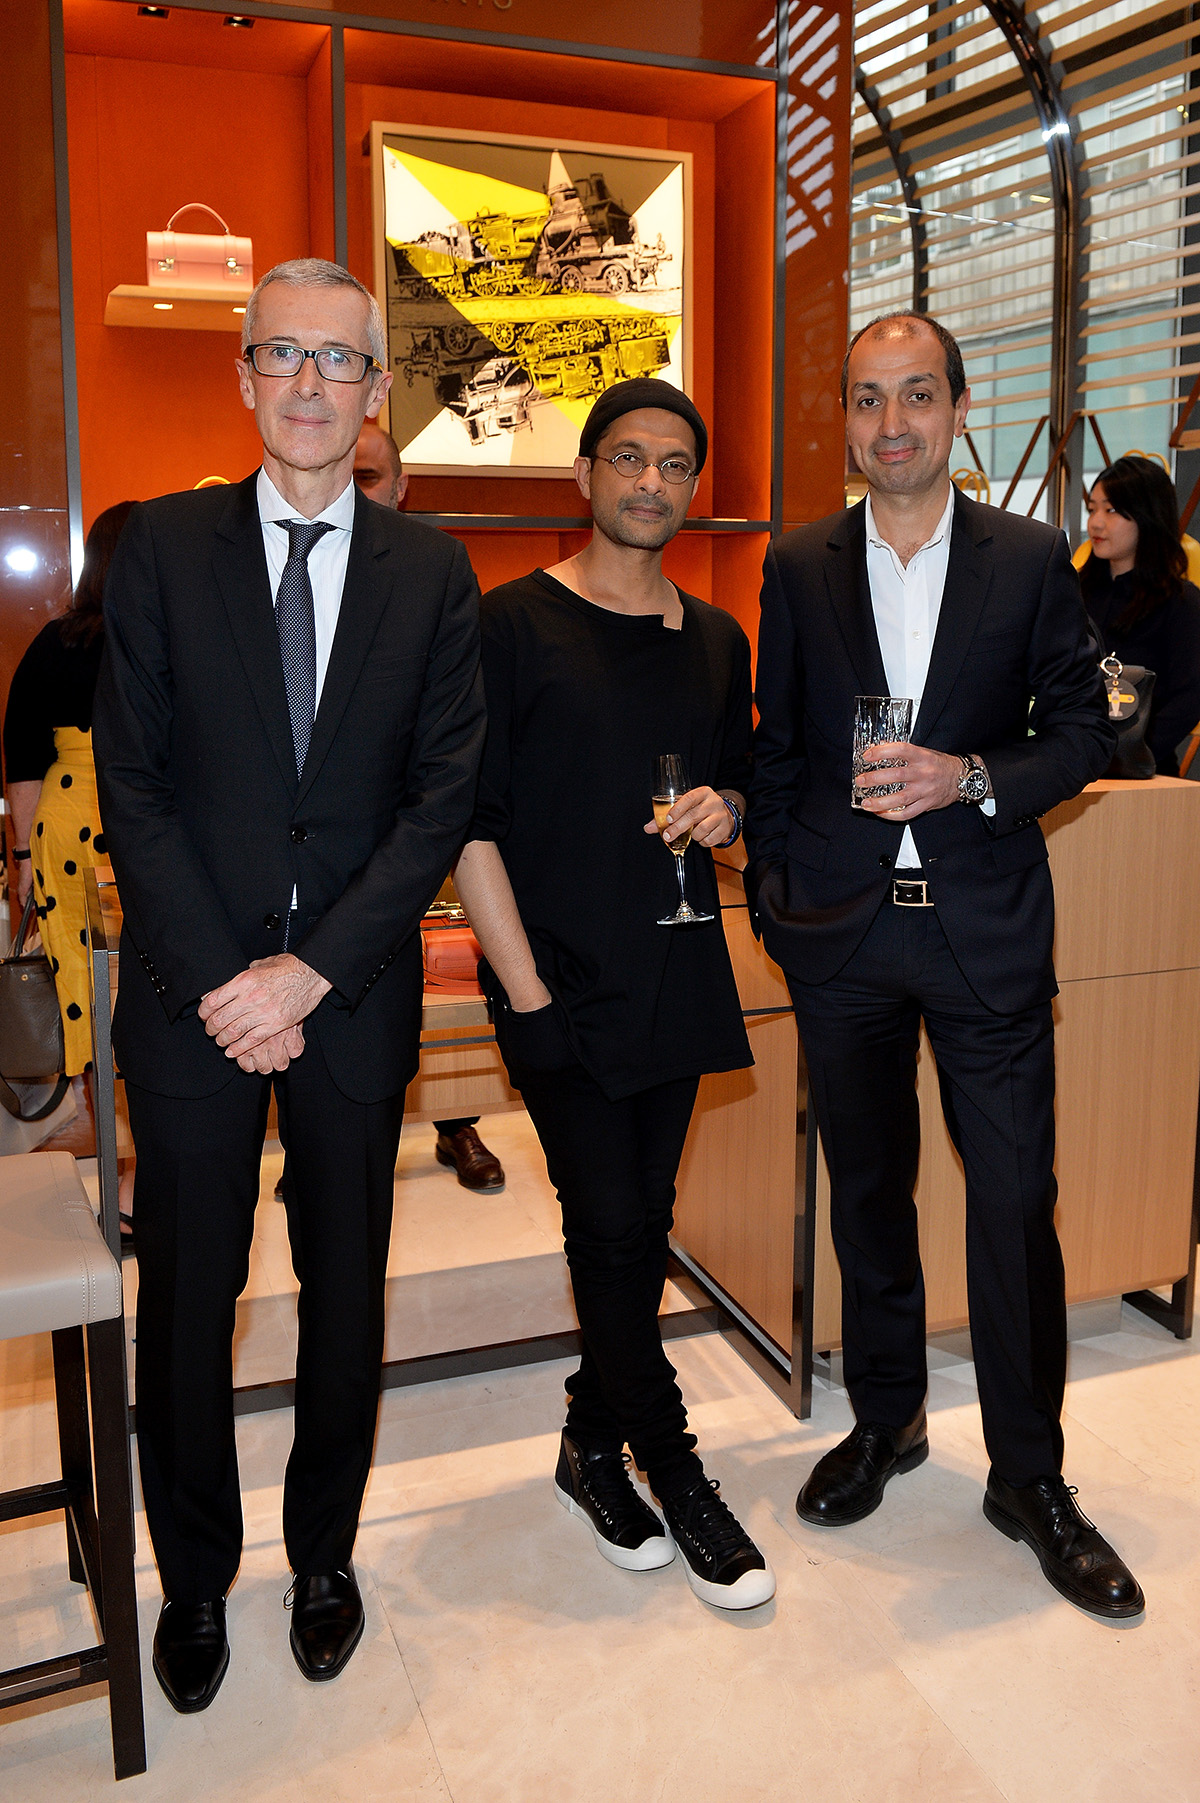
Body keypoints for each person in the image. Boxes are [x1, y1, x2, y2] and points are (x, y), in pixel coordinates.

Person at [92, 257, 484, 1711]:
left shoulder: (433, 573)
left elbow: (438, 801)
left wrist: (309, 973)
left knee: (344, 1291)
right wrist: (231, 980)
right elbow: (131, 784)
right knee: (190, 1297)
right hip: (195, 1002)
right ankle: (193, 1575)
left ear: (380, 394)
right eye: (284, 356)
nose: (313, 385)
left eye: (343, 362)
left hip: (355, 995)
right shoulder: (162, 550)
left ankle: (325, 1552)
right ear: (243, 377)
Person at [746, 310, 1144, 1620]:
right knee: (868, 1188)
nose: (892, 423)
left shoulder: (1031, 559)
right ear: (847, 418)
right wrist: (778, 891)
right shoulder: (799, 562)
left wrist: (975, 774)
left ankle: (1030, 1475)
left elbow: (1082, 729)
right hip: (846, 934)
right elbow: (781, 745)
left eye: (918, 395)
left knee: (1014, 1196)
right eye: (868, 399)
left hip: (979, 923)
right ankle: (889, 1418)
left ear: (961, 407)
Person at [454, 378, 775, 1611]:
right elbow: (468, 827)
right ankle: (676, 1466)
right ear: (584, 475)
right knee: (608, 1230)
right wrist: (525, 994)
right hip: (560, 987)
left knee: (643, 1222)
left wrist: (728, 810)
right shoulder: (509, 626)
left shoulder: (716, 639)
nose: (652, 483)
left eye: (676, 465)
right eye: (629, 459)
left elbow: (745, 793)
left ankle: (592, 1442)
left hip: (679, 969)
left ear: (694, 488)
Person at [352, 419, 505, 1193]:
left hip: (425, 842)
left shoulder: (438, 577)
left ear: (402, 487)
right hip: (319, 866)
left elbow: (455, 735)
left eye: (371, 477)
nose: (355, 491)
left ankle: (457, 1123)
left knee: (447, 976)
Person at [4, 501, 134, 1072]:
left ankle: (103, 1105)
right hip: (145, 820)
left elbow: (25, 759)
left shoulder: (55, 642)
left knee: (82, 974)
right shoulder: (170, 642)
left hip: (66, 821)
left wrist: (26, 855)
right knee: (151, 974)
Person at [1080, 454, 1200, 774]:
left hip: (1145, 772)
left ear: (1148, 515)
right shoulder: (1073, 592)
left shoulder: (1180, 601)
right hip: (1071, 768)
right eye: (1092, 509)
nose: (1096, 522)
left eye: (1113, 510)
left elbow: (1189, 698)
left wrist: (1133, 752)